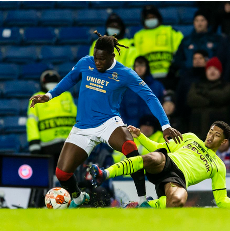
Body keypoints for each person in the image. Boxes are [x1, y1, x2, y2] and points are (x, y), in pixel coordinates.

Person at [29, 31, 183, 208]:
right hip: (83, 127)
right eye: (96, 58)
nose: (97, 63)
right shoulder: (85, 63)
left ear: (112, 55)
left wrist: (165, 125)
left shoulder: (125, 74)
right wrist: (48, 96)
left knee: (131, 151)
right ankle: (78, 197)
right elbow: (69, 79)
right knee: (62, 174)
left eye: (102, 59)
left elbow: (150, 97)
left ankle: (142, 199)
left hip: (109, 122)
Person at [89, 121, 230, 208]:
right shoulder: (190, 137)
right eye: (210, 131)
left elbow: (221, 200)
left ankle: (147, 206)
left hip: (178, 179)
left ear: (223, 142)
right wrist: (140, 136)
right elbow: (159, 147)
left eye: (216, 135)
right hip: (168, 162)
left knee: (178, 200)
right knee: (153, 157)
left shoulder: (218, 166)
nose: (210, 136)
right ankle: (105, 173)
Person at [27, 70, 77, 167]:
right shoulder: (66, 96)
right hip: (51, 148)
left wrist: (34, 147)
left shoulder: (67, 96)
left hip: (66, 146)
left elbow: (31, 124)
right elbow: (32, 123)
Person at [133, 5, 183, 86]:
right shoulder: (138, 36)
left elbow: (181, 50)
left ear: (158, 17)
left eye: (152, 17)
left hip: (170, 77)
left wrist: (174, 68)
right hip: (147, 79)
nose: (150, 20)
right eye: (148, 18)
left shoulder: (170, 31)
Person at [187, 57, 230, 139]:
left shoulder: (226, 86)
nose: (212, 71)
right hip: (198, 131)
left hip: (218, 134)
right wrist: (212, 101)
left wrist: (204, 93)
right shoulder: (197, 85)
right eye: (209, 69)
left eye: (215, 69)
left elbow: (222, 97)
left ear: (220, 71)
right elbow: (191, 99)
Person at [120, 56, 165, 127]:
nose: (140, 68)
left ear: (147, 67)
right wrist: (125, 123)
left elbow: (162, 104)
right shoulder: (126, 87)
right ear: (134, 67)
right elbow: (121, 107)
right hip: (131, 126)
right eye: (137, 66)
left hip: (151, 126)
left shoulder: (157, 86)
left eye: (142, 65)